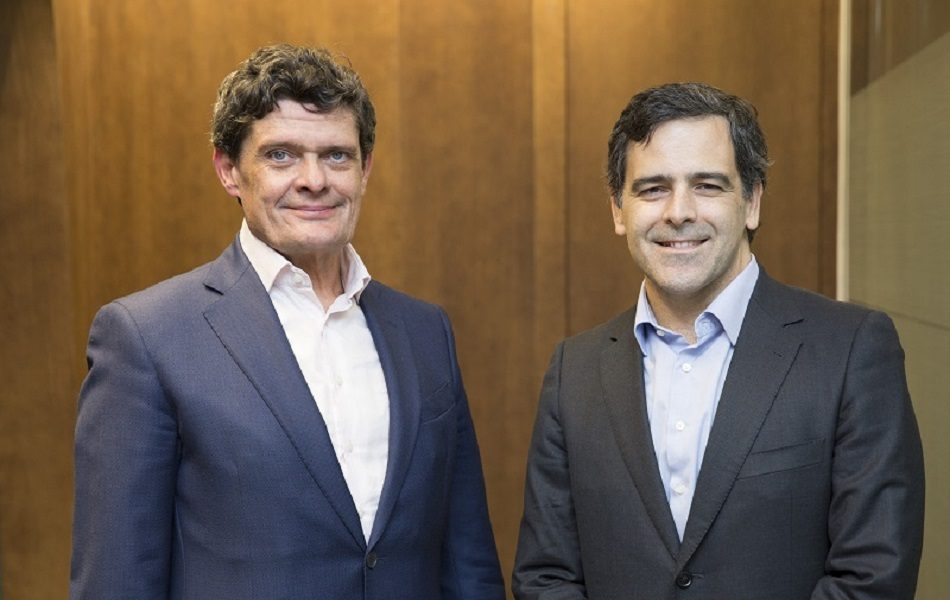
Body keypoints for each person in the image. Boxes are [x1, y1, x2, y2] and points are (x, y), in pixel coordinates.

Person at [71, 44, 504, 599]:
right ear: (229, 170)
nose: (314, 179)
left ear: (366, 170)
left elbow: (468, 563)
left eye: (337, 156)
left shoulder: (425, 332)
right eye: (281, 156)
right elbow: (116, 579)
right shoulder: (147, 337)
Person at [512, 82, 925, 599]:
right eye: (652, 188)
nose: (678, 212)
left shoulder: (851, 351)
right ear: (618, 209)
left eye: (707, 185)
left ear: (751, 201)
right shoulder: (574, 371)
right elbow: (545, 577)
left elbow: (873, 578)